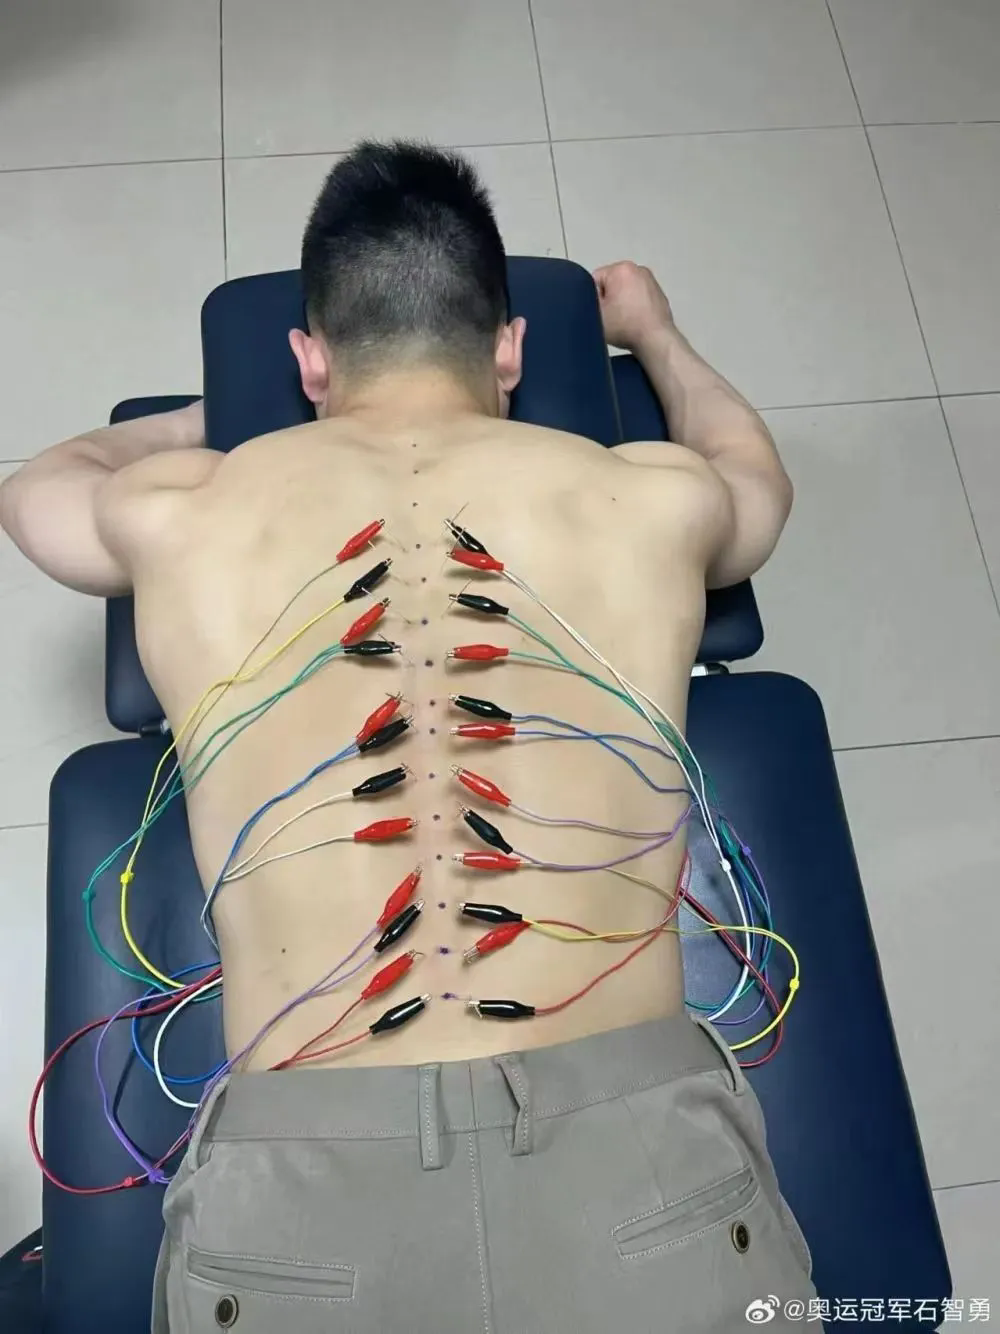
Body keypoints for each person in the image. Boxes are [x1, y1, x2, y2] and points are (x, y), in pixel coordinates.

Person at [0, 140, 813, 1332]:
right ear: (510, 348)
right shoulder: (652, 493)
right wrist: (653, 330)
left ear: (310, 359)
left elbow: (33, 491)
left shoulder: (182, 508)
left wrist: (216, 419)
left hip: (298, 1220)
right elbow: (756, 477)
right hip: (652, 1190)